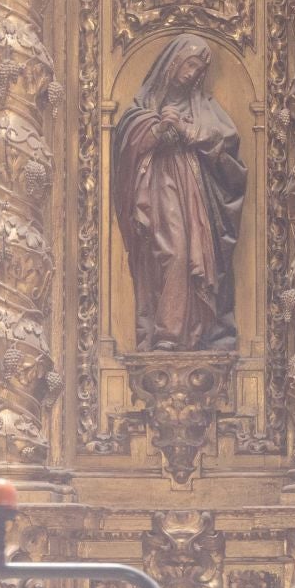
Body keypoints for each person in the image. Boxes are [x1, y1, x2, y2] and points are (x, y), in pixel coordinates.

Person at [112, 34, 247, 352]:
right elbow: (127, 140)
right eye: (189, 65)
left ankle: (191, 332)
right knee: (173, 253)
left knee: (193, 258)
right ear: (172, 63)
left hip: (196, 196)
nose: (192, 74)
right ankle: (167, 334)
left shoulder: (205, 107)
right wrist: (158, 130)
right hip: (157, 189)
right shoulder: (143, 107)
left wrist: (189, 132)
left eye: (199, 70)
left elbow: (226, 143)